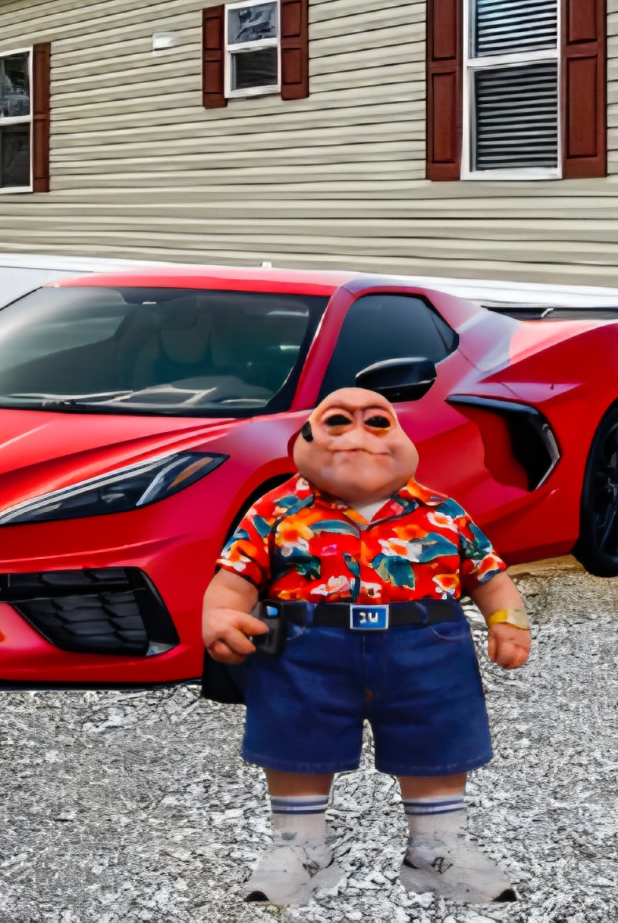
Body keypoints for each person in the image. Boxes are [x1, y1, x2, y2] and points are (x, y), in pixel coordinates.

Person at [202, 385, 532, 904]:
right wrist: (222, 617)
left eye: (378, 422)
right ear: (303, 438)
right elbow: (233, 578)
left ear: (403, 438)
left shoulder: (443, 512)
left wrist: (509, 622)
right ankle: (299, 846)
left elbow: (490, 578)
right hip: (304, 647)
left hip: (425, 644)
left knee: (438, 738)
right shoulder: (273, 511)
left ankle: (437, 848)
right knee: (295, 735)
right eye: (337, 421)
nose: (359, 435)